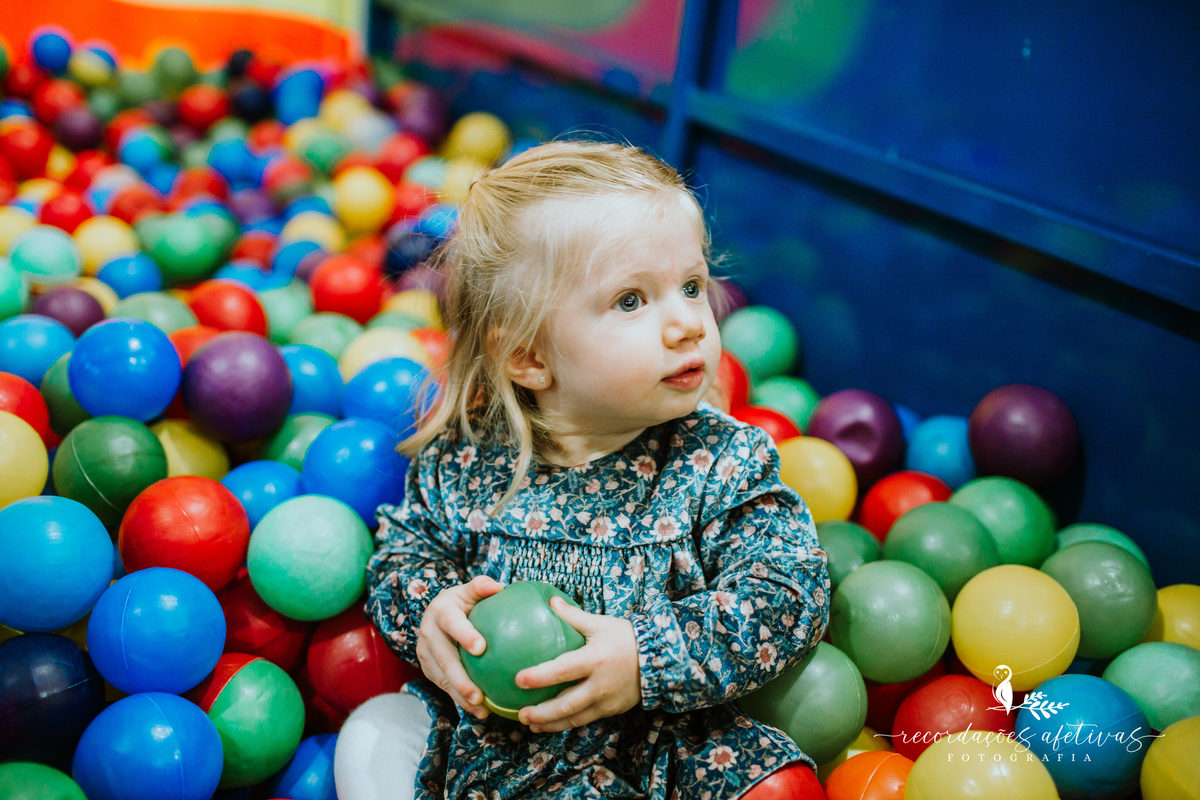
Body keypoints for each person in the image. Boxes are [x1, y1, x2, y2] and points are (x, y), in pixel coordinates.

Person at [348, 139, 830, 799]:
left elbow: (788, 593)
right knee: (369, 738)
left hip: (669, 734)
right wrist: (431, 612)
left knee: (778, 786)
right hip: (503, 745)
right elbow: (403, 556)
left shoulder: (721, 461)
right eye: (631, 301)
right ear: (530, 357)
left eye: (692, 285)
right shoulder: (467, 460)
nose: (688, 323)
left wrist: (645, 657)